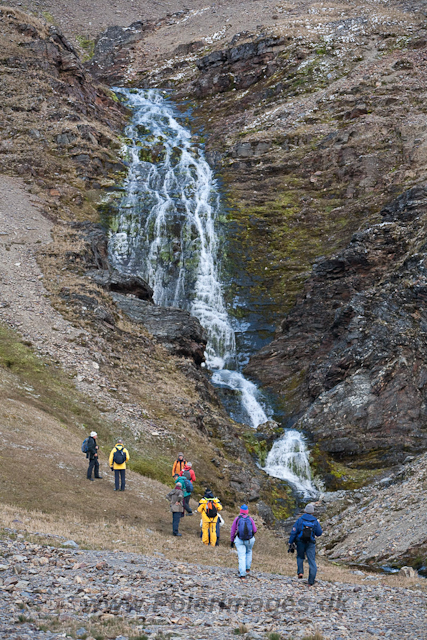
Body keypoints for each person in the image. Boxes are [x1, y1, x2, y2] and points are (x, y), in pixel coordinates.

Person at [288, 503, 323, 586]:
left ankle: (300, 572)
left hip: (300, 542)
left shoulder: (300, 520)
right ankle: (311, 581)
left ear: (305, 511)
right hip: (311, 543)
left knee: (300, 557)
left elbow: (294, 532)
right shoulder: (315, 521)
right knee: (312, 561)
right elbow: (319, 533)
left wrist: (290, 542)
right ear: (313, 512)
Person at [230, 505, 257, 578]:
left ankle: (242, 574)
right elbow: (255, 530)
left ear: (240, 511)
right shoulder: (250, 519)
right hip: (249, 540)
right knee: (248, 552)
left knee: (242, 556)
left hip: (240, 539)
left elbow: (233, 531)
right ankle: (247, 569)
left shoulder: (237, 519)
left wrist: (232, 541)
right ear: (247, 511)